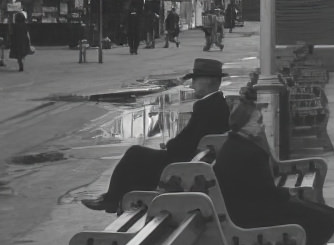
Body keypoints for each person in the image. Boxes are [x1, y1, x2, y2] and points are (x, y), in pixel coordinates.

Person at [82, 57, 229, 212]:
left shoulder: (206, 106)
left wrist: (171, 145)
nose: (192, 85)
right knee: (139, 156)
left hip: (183, 166)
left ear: (208, 81)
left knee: (135, 154)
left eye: (195, 80)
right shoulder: (218, 103)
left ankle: (112, 200)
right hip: (196, 160)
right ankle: (116, 200)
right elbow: (194, 138)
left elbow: (188, 141)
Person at [214, 88, 334, 245]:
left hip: (248, 207)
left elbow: (260, 189)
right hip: (252, 215)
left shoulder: (235, 144)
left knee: (321, 212)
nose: (262, 125)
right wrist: (288, 194)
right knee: (321, 218)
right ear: (245, 125)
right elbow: (265, 192)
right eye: (257, 121)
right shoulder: (247, 151)